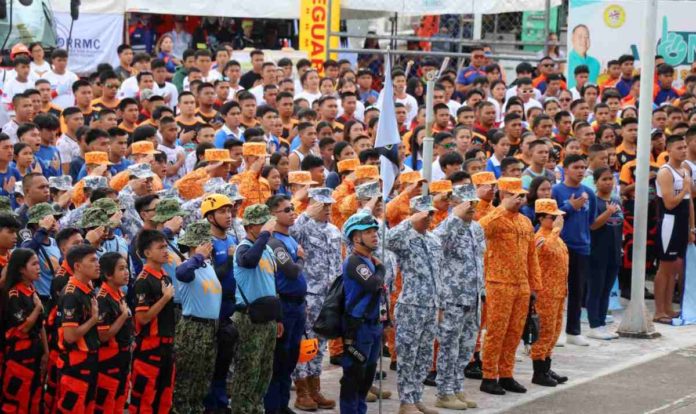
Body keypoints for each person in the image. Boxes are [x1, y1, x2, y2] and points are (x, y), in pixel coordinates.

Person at [478, 177, 541, 396]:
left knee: (515, 331)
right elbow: (479, 230)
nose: (521, 199)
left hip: (521, 284)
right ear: (504, 195)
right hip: (498, 282)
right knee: (496, 330)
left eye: (523, 196)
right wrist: (501, 208)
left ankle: (506, 374)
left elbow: (532, 255)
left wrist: (535, 285)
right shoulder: (493, 218)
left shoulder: (524, 222)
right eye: (516, 195)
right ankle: (488, 375)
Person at [386, 195, 444, 414]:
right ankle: (405, 400)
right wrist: (409, 221)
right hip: (411, 304)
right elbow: (387, 239)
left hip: (431, 306)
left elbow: (440, 275)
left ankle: (417, 396)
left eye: (431, 214)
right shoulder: (404, 238)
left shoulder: (434, 240)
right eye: (425, 214)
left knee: (425, 355)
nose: (429, 218)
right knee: (408, 355)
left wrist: (441, 306)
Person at [432, 184, 484, 410]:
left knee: (466, 347)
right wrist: (455, 218)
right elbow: (435, 244)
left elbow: (479, 261)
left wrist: (481, 292)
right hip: (452, 297)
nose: (471, 207)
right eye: (467, 203)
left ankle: (456, 387)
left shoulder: (476, 228)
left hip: (472, 296)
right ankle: (444, 392)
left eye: (474, 203)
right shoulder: (446, 226)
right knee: (449, 347)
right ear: (455, 204)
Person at [291, 189, 341, 411]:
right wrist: (306, 214)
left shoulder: (333, 230)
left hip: (329, 296)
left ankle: (315, 387)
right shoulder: (302, 225)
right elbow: (288, 235)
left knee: (320, 345)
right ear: (312, 204)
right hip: (310, 294)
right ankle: (301, 391)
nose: (327, 209)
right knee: (306, 344)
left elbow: (338, 263)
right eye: (323, 205)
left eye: (329, 205)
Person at [230, 204, 282, 414]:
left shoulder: (267, 249)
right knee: (247, 371)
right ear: (251, 227)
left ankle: (256, 409)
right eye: (263, 223)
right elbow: (249, 262)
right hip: (248, 318)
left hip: (267, 317)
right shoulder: (244, 248)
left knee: (264, 371)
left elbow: (271, 285)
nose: (269, 226)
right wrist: (265, 235)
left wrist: (279, 318)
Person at [264, 195, 308, 414]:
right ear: (273, 215)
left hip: (297, 305)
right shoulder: (275, 241)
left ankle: (282, 404)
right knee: (279, 359)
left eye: (292, 208)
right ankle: (273, 406)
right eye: (286, 209)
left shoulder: (290, 239)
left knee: (291, 358)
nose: (292, 212)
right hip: (285, 305)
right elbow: (290, 271)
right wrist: (300, 258)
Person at [339, 212, 385, 414]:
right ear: (356, 238)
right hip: (358, 328)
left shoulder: (370, 261)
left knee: (367, 376)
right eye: (368, 232)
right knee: (354, 375)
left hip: (374, 325)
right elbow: (374, 284)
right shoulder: (354, 262)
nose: (374, 235)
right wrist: (381, 268)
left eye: (375, 231)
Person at [173, 220, 222, 413]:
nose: (210, 246)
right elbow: (181, 273)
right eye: (205, 243)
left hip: (210, 328)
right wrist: (198, 256)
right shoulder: (188, 266)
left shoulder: (207, 266)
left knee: (202, 380)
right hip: (193, 328)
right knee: (187, 380)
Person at [552, 154, 596, 346]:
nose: (580, 171)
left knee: (577, 290)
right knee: (557, 290)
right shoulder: (556, 191)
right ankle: (555, 331)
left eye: (583, 167)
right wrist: (570, 206)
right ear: (566, 169)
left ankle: (573, 330)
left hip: (581, 246)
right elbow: (550, 217)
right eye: (576, 167)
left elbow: (591, 220)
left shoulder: (589, 192)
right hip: (560, 246)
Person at [131, 229, 176, 413]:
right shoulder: (143, 281)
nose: (166, 251)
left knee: (165, 398)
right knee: (145, 400)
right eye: (161, 247)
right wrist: (164, 298)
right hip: (150, 348)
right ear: (147, 253)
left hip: (167, 346)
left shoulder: (165, 276)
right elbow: (142, 318)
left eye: (166, 246)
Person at [55, 245, 101, 413]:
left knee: (88, 407)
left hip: (89, 358)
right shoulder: (71, 294)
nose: (98, 264)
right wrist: (94, 320)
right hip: (76, 361)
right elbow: (70, 336)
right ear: (77, 266)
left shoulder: (87, 290)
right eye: (92, 260)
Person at [653, 135, 694, 323]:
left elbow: (689, 202)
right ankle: (659, 310)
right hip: (669, 222)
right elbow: (669, 204)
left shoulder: (684, 170)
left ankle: (668, 308)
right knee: (666, 268)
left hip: (682, 222)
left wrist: (691, 227)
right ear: (669, 150)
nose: (684, 150)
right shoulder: (665, 172)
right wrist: (685, 189)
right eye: (679, 147)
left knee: (676, 267)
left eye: (685, 147)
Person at [0, 248, 46, 413]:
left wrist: (46, 353)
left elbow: (40, 326)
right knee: (16, 402)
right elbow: (23, 328)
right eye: (33, 264)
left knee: (35, 398)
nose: (38, 267)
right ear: (21, 269)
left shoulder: (31, 290)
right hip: (18, 358)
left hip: (34, 354)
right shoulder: (14, 294)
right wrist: (37, 308)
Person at [529, 199, 569, 387]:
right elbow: (544, 250)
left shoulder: (555, 237)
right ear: (541, 218)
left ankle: (546, 365)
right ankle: (539, 371)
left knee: (554, 331)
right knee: (544, 332)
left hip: (559, 291)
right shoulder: (541, 237)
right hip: (545, 293)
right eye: (552, 217)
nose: (557, 220)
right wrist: (556, 230)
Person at [95, 252, 133, 413]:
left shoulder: (118, 293)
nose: (127, 273)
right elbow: (103, 335)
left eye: (127, 268)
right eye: (121, 269)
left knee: (120, 398)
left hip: (122, 356)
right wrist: (123, 316)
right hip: (108, 359)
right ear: (108, 274)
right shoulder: (103, 298)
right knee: (106, 404)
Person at [587, 167, 622, 339]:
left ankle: (601, 322)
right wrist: (608, 212)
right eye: (604, 179)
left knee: (607, 289)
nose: (608, 182)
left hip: (614, 252)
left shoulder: (616, 200)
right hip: (597, 252)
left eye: (610, 179)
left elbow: (619, 225)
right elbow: (592, 225)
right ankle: (594, 324)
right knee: (596, 289)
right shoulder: (594, 201)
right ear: (596, 182)